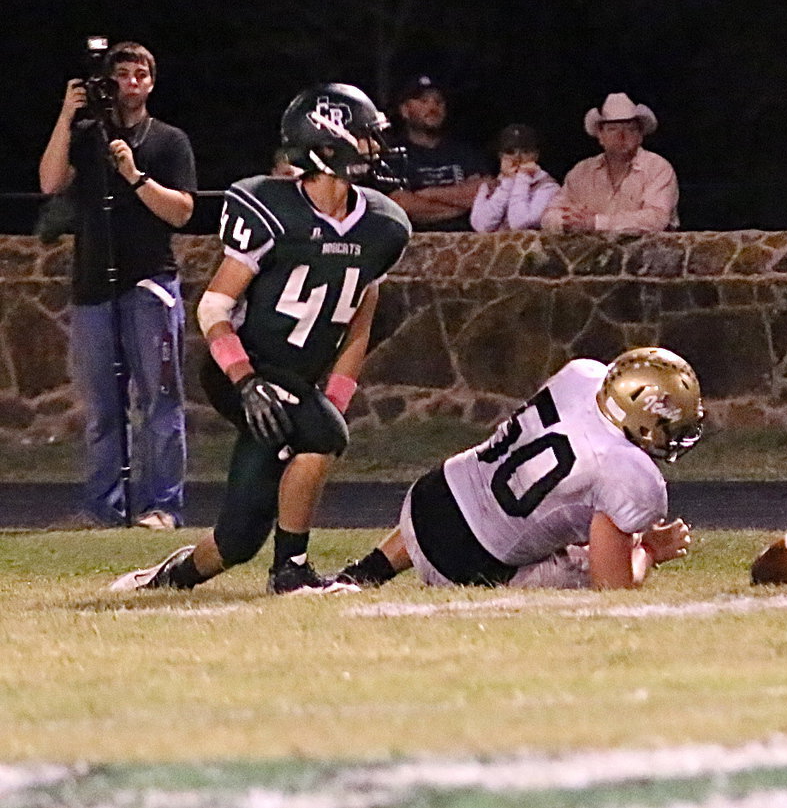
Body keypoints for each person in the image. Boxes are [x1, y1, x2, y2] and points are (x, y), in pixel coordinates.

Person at [110, 83, 412, 595]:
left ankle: (166, 579)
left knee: (238, 538)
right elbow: (214, 307)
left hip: (297, 380)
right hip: (242, 369)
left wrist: (333, 398)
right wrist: (246, 381)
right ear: (327, 144)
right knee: (325, 435)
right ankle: (291, 572)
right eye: (364, 137)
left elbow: (360, 320)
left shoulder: (383, 225)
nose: (374, 148)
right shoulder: (269, 206)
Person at [329, 347, 702, 591]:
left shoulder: (582, 375)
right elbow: (611, 586)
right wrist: (650, 549)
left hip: (428, 498)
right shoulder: (631, 474)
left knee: (480, 495)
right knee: (587, 567)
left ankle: (369, 570)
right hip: (471, 565)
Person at [38, 41, 196, 530]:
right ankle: (103, 507)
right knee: (103, 408)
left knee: (160, 402)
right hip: (93, 288)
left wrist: (133, 174)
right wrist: (67, 116)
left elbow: (182, 211)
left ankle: (162, 507)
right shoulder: (86, 138)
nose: (130, 82)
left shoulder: (168, 141)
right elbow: (50, 182)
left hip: (149, 283)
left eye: (139, 74)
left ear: (150, 82)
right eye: (120, 74)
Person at [541, 92, 679, 233]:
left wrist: (595, 222)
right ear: (600, 136)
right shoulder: (582, 171)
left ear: (640, 136)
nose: (621, 136)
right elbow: (550, 213)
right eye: (612, 129)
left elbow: (656, 218)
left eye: (630, 129)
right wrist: (566, 221)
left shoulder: (657, 167)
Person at [380, 74, 492, 231]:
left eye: (439, 102)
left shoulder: (464, 151)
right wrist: (462, 205)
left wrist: (427, 194)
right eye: (423, 101)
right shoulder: (392, 155)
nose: (433, 108)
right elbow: (400, 204)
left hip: (466, 243)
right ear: (404, 110)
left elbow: (486, 192)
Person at [469, 123, 561, 232]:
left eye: (525, 151)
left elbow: (520, 223)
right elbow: (482, 226)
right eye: (510, 152)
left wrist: (522, 178)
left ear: (536, 155)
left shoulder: (548, 187)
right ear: (501, 155)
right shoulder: (489, 187)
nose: (517, 157)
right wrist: (507, 183)